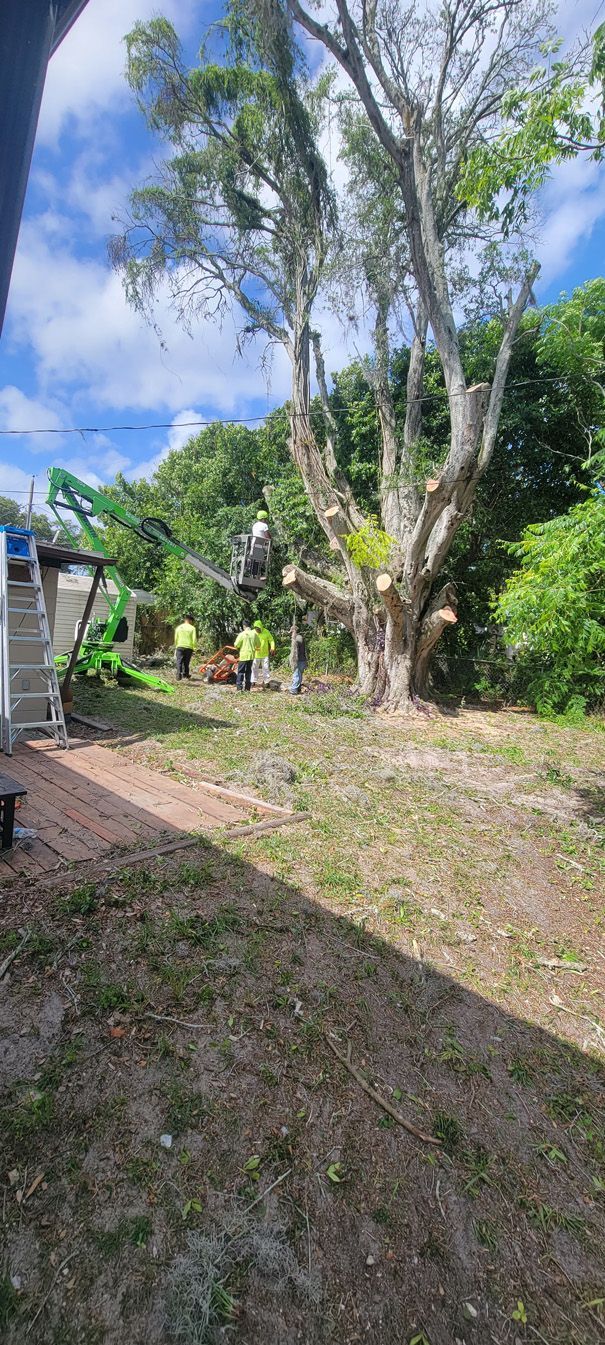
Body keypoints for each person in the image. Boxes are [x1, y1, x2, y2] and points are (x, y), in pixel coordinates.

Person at [234, 620, 260, 691]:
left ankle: (239, 688)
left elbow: (236, 644)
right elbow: (258, 644)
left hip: (243, 656)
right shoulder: (254, 634)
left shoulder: (242, 634)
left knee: (241, 672)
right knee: (248, 672)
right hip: (251, 656)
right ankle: (247, 688)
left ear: (244, 626)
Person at [251, 618, 276, 689]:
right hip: (255, 654)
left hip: (265, 654)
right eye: (256, 628)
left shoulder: (266, 632)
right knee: (254, 668)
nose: (257, 630)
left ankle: (266, 682)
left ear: (261, 627)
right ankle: (253, 681)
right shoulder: (252, 632)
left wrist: (272, 648)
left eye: (258, 629)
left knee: (266, 668)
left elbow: (271, 640)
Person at [174, 614, 197, 680]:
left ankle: (178, 675)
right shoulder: (192, 628)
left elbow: (176, 638)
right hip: (189, 647)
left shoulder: (179, 627)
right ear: (190, 620)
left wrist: (176, 645)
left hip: (180, 646)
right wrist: (194, 648)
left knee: (179, 661)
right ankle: (186, 674)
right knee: (186, 662)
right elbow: (194, 639)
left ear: (185, 620)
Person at [289, 621, 307, 695]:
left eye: (291, 633)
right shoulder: (299, 637)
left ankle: (294, 689)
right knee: (299, 675)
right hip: (302, 660)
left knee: (296, 675)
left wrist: (293, 661)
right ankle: (298, 688)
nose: (290, 635)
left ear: (294, 631)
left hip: (299, 660)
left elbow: (295, 651)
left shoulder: (297, 638)